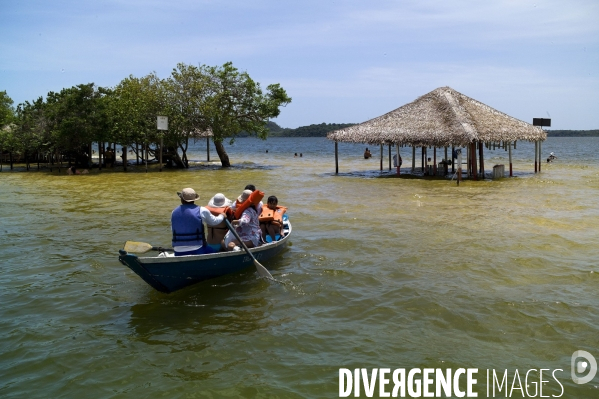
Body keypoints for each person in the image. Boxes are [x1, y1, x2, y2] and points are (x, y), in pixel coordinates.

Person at [171, 188, 226, 256]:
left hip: (177, 250)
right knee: (214, 252)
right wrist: (222, 216)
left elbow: (173, 229)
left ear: (181, 199)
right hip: (198, 249)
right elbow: (214, 221)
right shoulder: (202, 210)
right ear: (194, 200)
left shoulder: (174, 212)